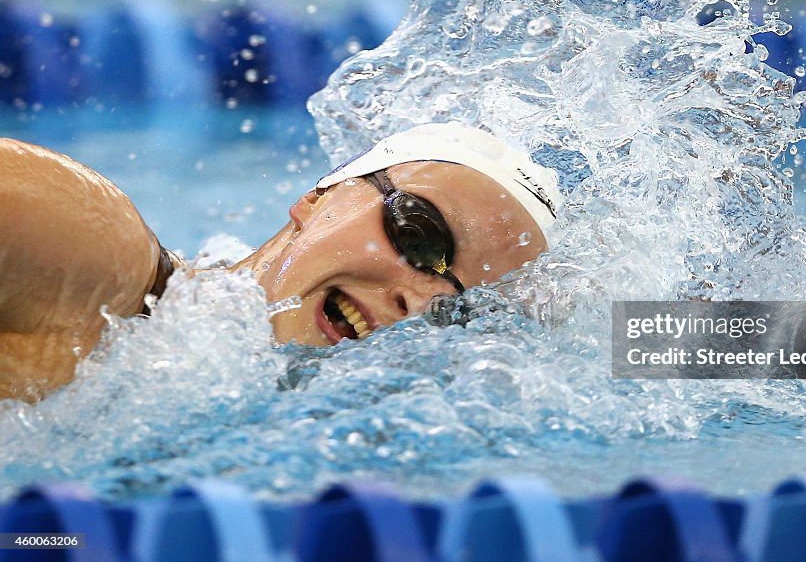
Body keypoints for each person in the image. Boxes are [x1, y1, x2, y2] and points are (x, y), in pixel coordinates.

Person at [0, 123, 562, 401]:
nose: (420, 301)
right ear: (321, 197)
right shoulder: (98, 260)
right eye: (419, 235)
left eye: (457, 308)